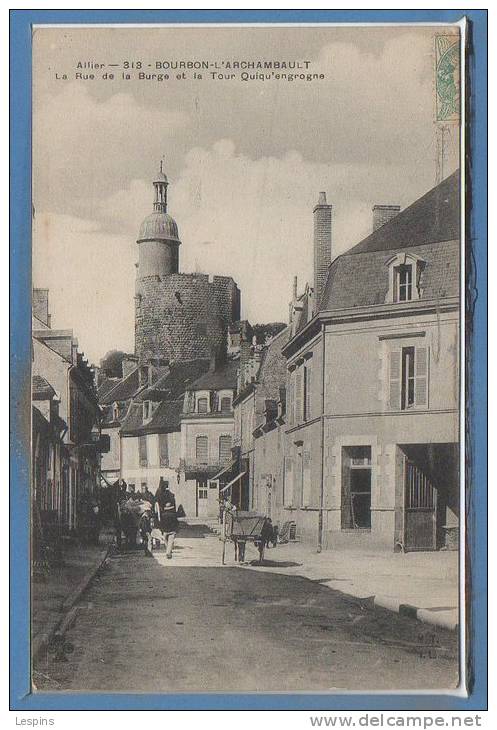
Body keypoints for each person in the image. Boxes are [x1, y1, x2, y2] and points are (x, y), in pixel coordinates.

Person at [155, 478, 178, 559]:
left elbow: (158, 506)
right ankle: (168, 551)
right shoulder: (171, 495)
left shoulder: (160, 494)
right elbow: (174, 507)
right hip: (171, 517)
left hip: (164, 518)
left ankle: (168, 550)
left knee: (165, 537)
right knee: (171, 536)